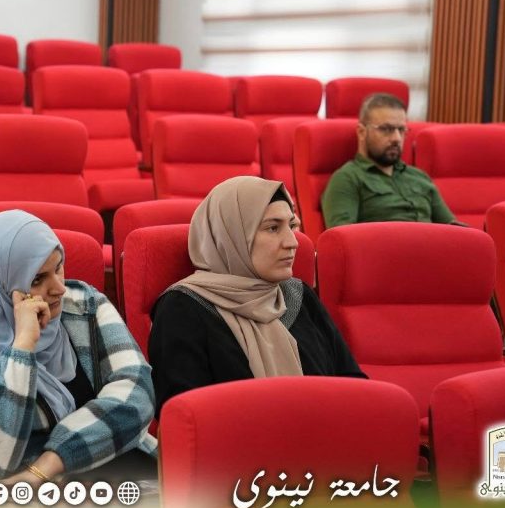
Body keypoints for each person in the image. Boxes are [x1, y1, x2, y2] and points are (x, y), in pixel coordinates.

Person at [0, 210, 156, 490]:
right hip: (26, 498)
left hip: (117, 467)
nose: (59, 288)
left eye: (58, 268)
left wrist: (46, 466)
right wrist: (22, 348)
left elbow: (138, 394)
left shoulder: (85, 304)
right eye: (36, 279)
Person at [149, 177, 364, 415]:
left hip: (330, 434)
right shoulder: (183, 308)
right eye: (273, 228)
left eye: (292, 226)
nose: (292, 242)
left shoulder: (299, 295)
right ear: (232, 236)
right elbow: (183, 416)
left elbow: (354, 384)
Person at [322, 93, 460, 228]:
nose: (397, 138)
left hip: (432, 242)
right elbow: (341, 238)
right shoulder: (347, 178)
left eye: (401, 130)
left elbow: (454, 229)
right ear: (362, 132)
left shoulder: (420, 177)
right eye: (386, 129)